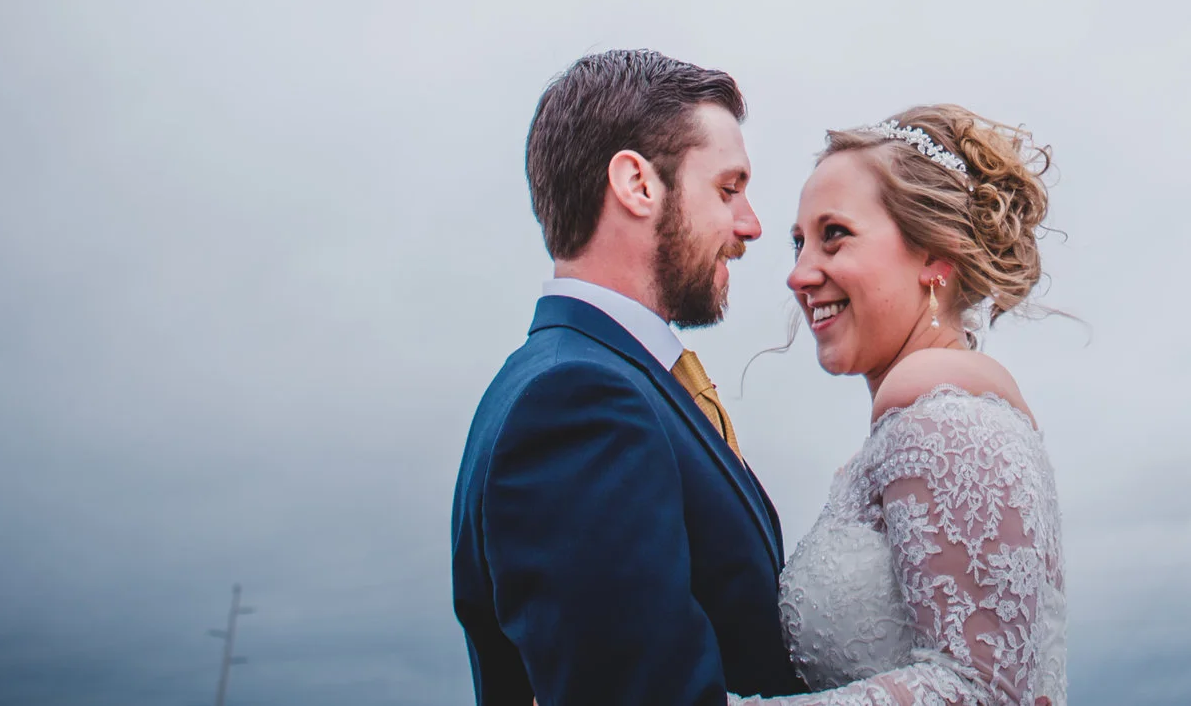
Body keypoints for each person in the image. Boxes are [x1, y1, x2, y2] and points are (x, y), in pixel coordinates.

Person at [451, 49, 805, 706]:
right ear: (638, 184)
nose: (751, 224)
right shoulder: (575, 406)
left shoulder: (588, 381)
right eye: (728, 189)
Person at [746, 106, 1068, 706]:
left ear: (934, 256)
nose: (799, 274)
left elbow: (982, 692)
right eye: (799, 243)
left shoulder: (949, 422)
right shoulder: (920, 419)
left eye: (834, 234)